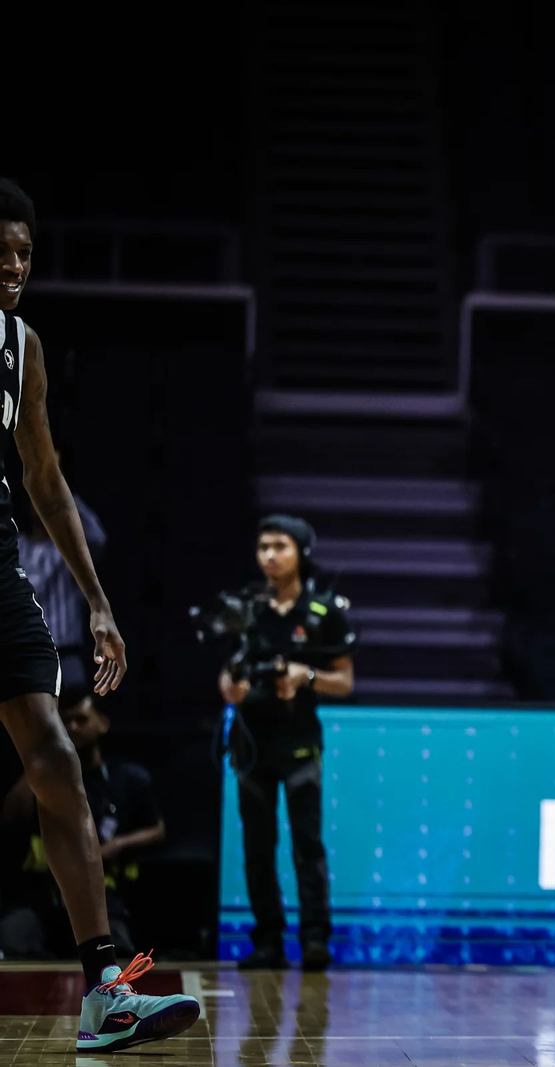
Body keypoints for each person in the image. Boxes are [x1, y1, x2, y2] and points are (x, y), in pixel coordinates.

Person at [0, 177, 199, 1052]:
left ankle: (103, 991)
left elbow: (45, 480)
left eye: (24, 253)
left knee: (55, 758)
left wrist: (99, 601)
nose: (12, 266)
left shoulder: (23, 347)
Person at [219, 515, 355, 972]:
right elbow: (227, 674)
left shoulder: (324, 611)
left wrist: (306, 676)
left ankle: (315, 938)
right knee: (258, 847)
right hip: (251, 745)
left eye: (280, 546)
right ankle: (268, 941)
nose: (270, 555)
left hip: (300, 745)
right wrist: (231, 689)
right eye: (263, 547)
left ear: (301, 552)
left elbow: (345, 682)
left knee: (306, 843)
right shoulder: (244, 608)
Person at [0, 689, 164, 959]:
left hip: (98, 894)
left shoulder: (127, 778)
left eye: (81, 719)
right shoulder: (44, 777)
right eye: (66, 722)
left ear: (103, 723)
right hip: (42, 894)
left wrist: (118, 845)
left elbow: (158, 830)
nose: (73, 728)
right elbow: (11, 819)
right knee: (12, 940)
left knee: (118, 949)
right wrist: (39, 761)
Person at [16, 462, 107, 698]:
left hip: (66, 653)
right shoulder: (17, 546)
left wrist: (58, 487)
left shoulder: (65, 550)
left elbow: (96, 538)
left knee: (75, 716)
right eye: (37, 497)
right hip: (25, 652)